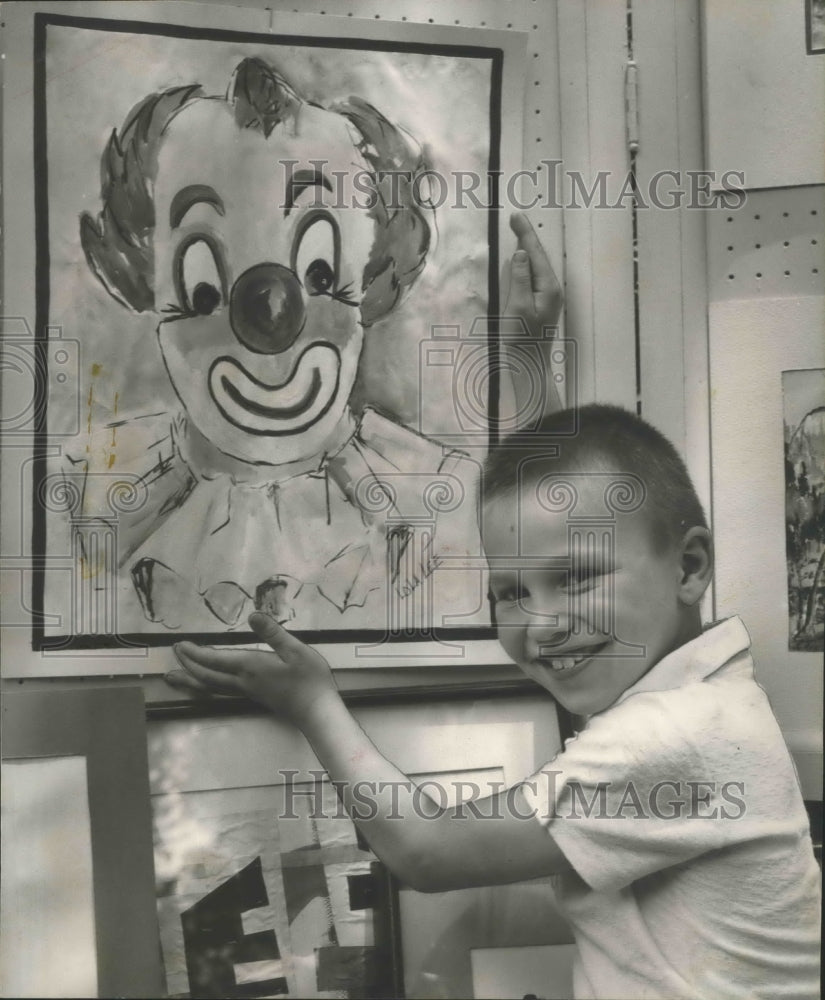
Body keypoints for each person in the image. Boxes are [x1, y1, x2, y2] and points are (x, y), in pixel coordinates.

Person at [167, 409, 820, 996]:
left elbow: (426, 850)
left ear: (688, 567)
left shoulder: (679, 732)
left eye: (574, 578)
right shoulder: (709, 698)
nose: (539, 625)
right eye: (509, 593)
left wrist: (312, 702)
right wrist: (532, 355)